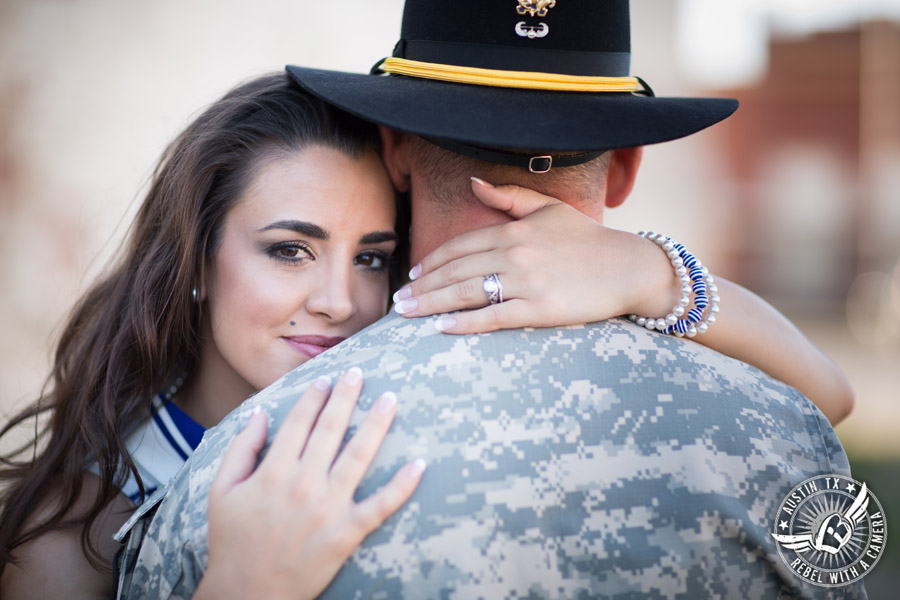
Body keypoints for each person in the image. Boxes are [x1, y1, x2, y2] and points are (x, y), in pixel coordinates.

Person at [0, 72, 849, 599]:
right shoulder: (75, 528)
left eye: (375, 256)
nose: (337, 300)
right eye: (288, 250)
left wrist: (651, 270)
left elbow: (827, 401)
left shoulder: (402, 392)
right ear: (195, 258)